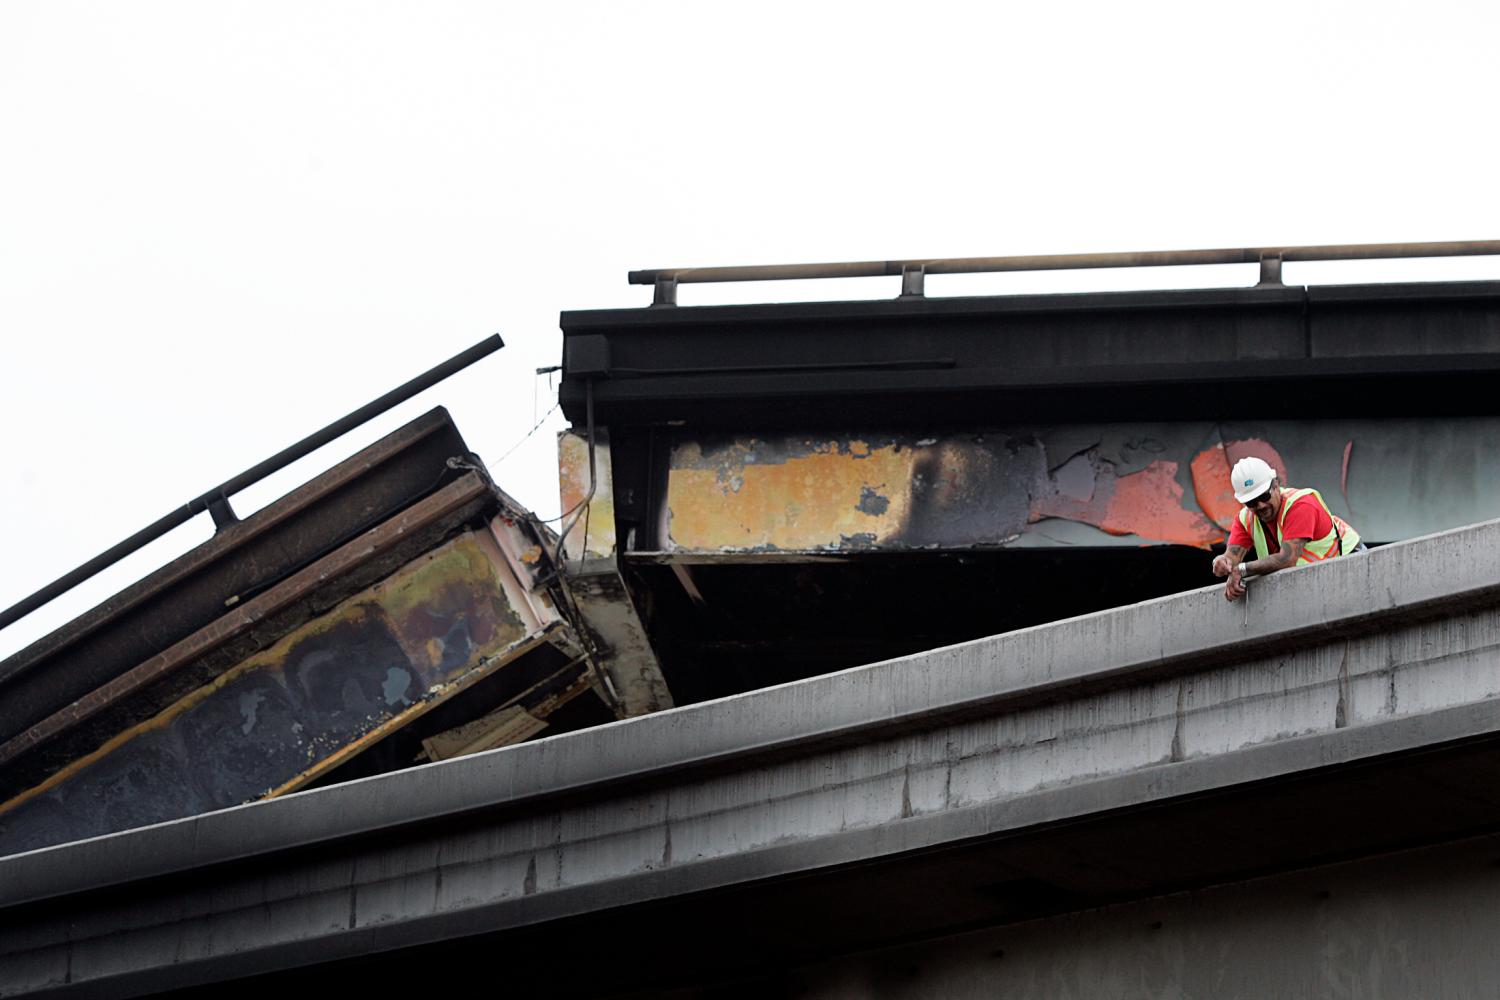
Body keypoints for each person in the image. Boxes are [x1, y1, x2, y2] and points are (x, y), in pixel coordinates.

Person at [1210, 456, 1364, 602]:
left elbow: (1287, 559)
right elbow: (1231, 558)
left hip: (1351, 562)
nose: (1260, 506)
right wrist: (1222, 562)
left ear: (1276, 485)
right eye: (1252, 502)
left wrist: (1242, 569)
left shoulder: (1301, 504)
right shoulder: (1245, 519)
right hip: (1315, 578)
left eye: (1264, 496)